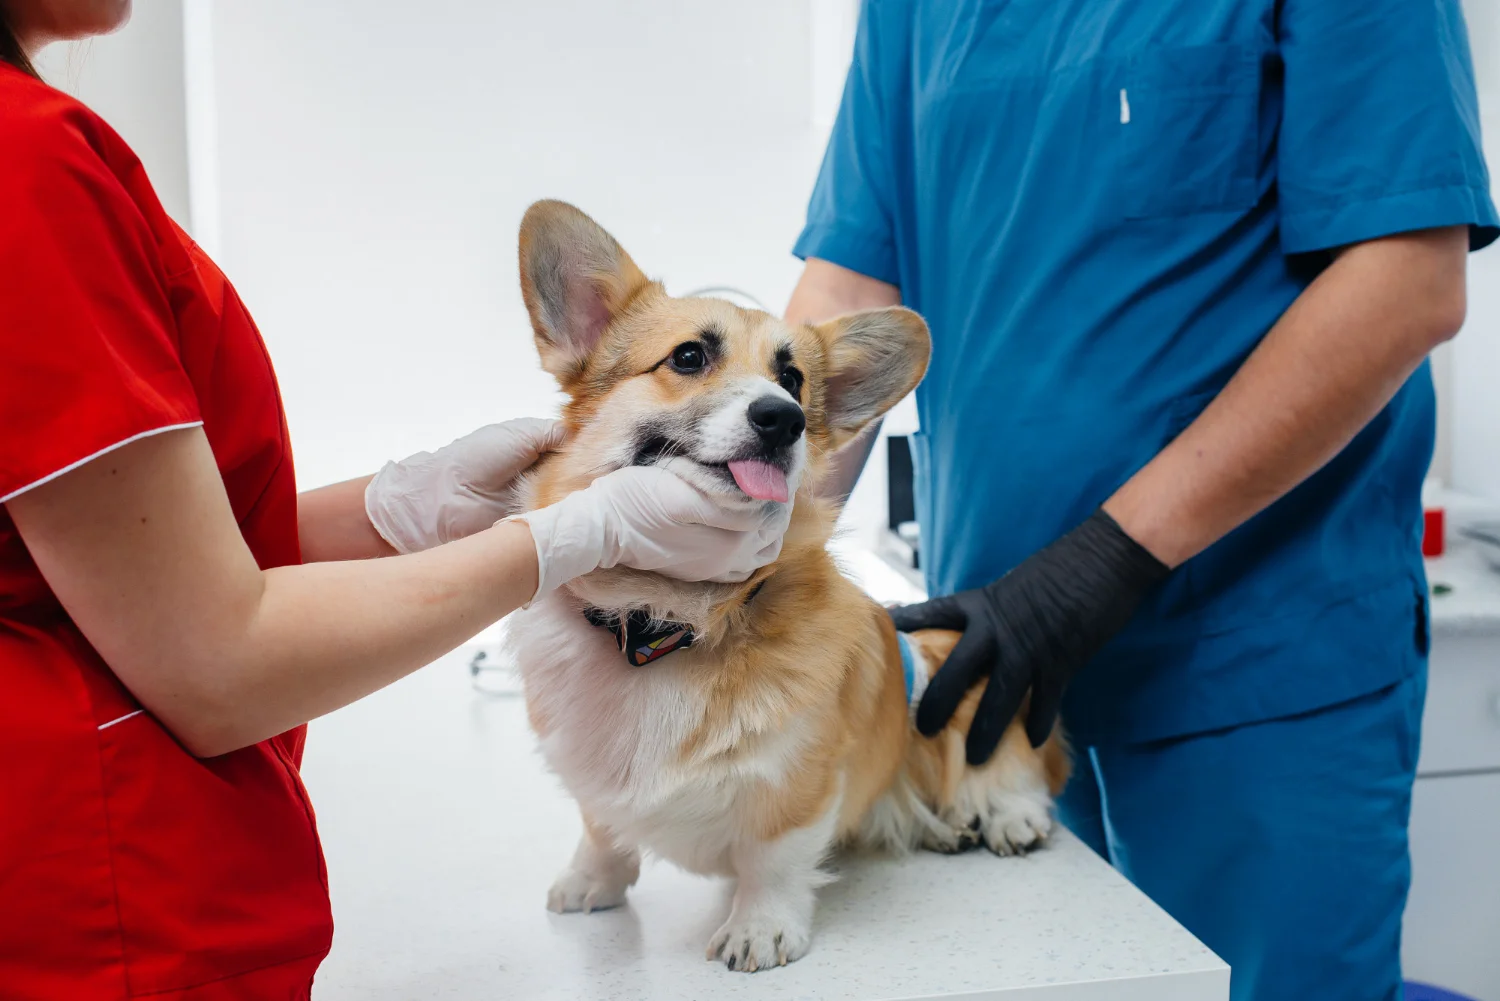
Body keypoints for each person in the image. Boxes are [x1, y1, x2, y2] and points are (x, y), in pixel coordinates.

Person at [0, 4, 790, 997]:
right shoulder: (24, 161)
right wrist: (568, 533)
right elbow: (212, 661)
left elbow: (117, 561)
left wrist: (397, 512)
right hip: (101, 907)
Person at [786, 2, 1497, 1000]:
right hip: (1000, 679)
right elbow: (851, 298)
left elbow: (1405, 284)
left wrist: (1103, 558)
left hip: (1255, 674)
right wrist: (746, 542)